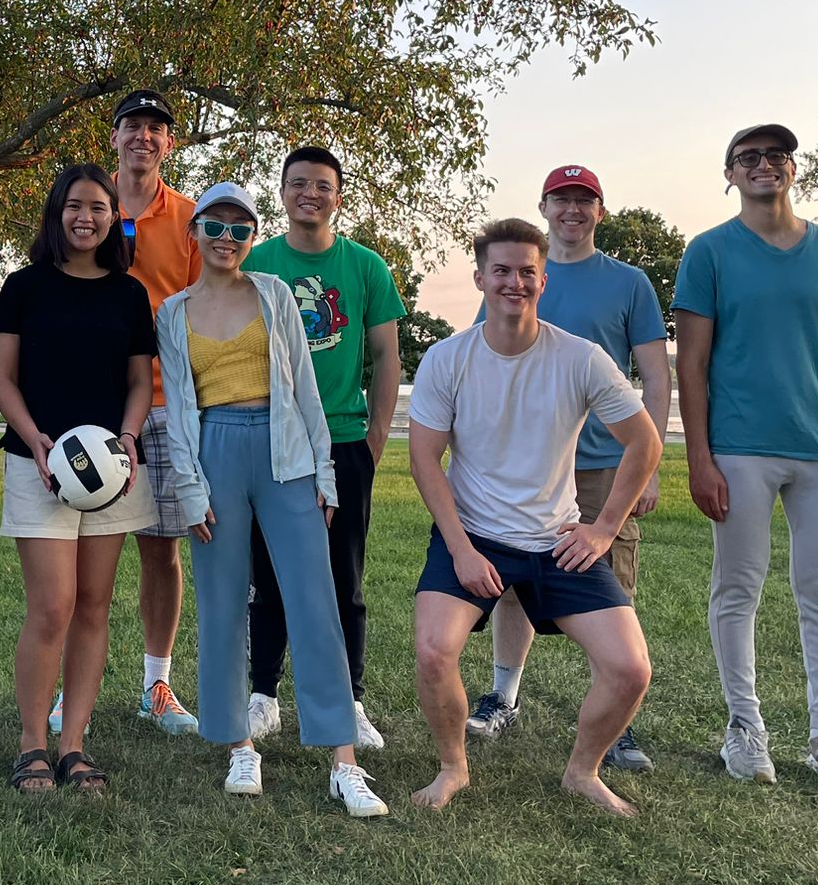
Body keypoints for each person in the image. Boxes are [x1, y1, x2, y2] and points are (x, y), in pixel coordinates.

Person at [407, 218, 660, 818]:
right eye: (501, 271)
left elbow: (645, 443)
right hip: (474, 535)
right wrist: (462, 549)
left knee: (629, 670)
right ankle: (452, 768)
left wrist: (601, 530)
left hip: (556, 539)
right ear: (480, 278)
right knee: (434, 651)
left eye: (526, 272)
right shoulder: (449, 359)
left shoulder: (581, 359)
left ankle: (582, 772)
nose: (513, 282)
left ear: (543, 280)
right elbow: (424, 456)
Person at [158, 182, 388, 817]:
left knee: (316, 601)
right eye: (215, 227)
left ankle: (344, 761)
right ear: (195, 233)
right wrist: (188, 488)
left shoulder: (276, 295)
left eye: (240, 229)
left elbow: (305, 391)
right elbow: (178, 409)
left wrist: (325, 474)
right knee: (224, 599)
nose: (227, 239)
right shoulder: (173, 314)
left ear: (252, 238)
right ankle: (238, 743)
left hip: (285, 453)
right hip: (215, 455)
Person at [673, 123, 818, 791]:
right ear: (729, 174)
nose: (765, 165)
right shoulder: (708, 254)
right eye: (749, 157)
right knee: (738, 590)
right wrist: (699, 458)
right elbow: (692, 365)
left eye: (777, 156)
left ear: (794, 170)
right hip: (739, 449)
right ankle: (745, 731)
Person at [465, 165, 670, 775]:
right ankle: (504, 693)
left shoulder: (629, 283)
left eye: (585, 201)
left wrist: (652, 464)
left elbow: (655, 374)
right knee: (511, 579)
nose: (572, 210)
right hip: (526, 470)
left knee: (610, 578)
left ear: (600, 211)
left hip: (605, 463)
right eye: (562, 200)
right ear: (546, 207)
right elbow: (482, 367)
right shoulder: (516, 271)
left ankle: (617, 720)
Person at [0, 163, 159, 794]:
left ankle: (73, 746)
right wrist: (34, 437)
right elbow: (3, 378)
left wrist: (129, 440)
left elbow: (140, 381)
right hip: (40, 463)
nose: (85, 217)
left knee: (93, 605)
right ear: (56, 214)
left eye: (98, 207)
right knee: (51, 606)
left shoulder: (128, 292)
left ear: (113, 217)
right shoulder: (24, 287)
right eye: (74, 206)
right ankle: (32, 743)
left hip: (112, 470)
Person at [243, 146, 406, 754]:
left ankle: (350, 700)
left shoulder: (365, 267)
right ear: (282, 192)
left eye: (322, 185)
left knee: (344, 578)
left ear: (339, 195)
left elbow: (386, 356)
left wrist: (376, 436)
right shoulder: (256, 263)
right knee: (271, 574)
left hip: (342, 439)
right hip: (270, 440)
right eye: (298, 184)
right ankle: (263, 695)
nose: (310, 193)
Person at [87, 88, 202, 736]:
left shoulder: (189, 217)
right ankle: (77, 681)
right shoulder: (83, 208)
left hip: (164, 405)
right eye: (133, 125)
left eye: (156, 129)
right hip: (92, 407)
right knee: (88, 554)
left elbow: (200, 309)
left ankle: (156, 685)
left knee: (161, 551)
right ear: (114, 137)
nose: (144, 137)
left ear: (169, 144)